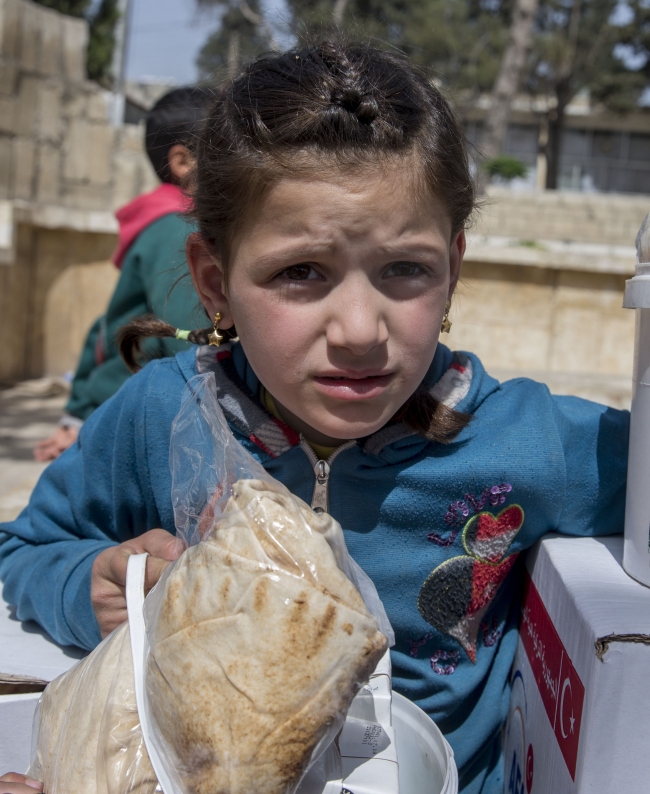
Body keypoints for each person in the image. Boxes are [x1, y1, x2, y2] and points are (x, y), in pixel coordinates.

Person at [0, 42, 629, 794]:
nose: (360, 328)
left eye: (406, 269)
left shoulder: (531, 441)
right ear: (215, 282)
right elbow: (24, 550)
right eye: (302, 273)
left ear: (454, 269)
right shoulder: (158, 418)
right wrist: (88, 585)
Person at [33, 86, 216, 462]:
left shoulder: (162, 226)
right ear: (183, 162)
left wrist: (78, 410)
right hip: (136, 423)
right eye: (225, 150)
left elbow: (105, 325)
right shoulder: (179, 231)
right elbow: (196, 340)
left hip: (113, 406)